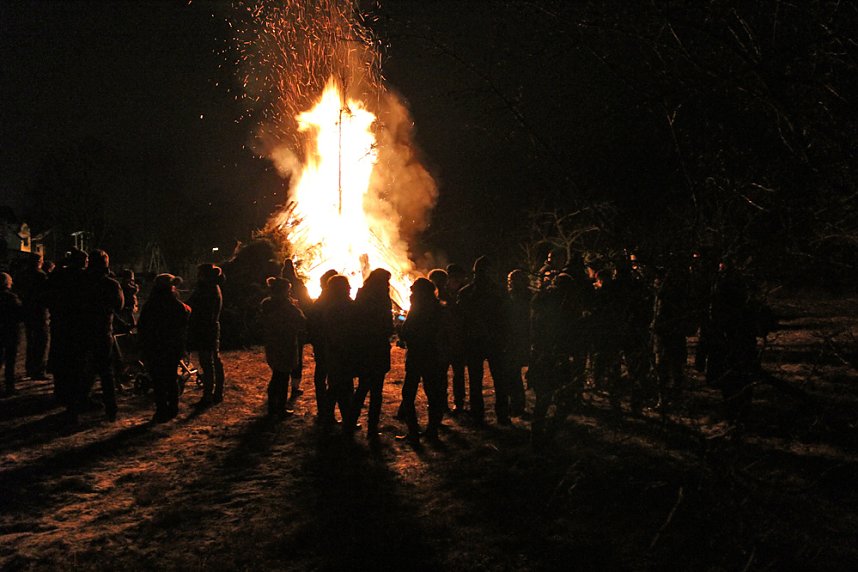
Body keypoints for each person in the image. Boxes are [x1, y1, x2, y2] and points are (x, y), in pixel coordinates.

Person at [457, 256, 510, 425]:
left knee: (477, 379)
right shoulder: (497, 291)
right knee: (498, 379)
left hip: (479, 341)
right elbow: (505, 318)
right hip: (489, 341)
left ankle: (479, 414)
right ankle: (500, 415)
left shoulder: (466, 292)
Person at [397, 277, 448, 443]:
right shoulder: (439, 309)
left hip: (417, 356)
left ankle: (413, 432)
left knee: (408, 393)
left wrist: (400, 328)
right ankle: (432, 430)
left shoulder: (417, 308)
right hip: (433, 356)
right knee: (433, 393)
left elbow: (407, 332)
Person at [138, 274, 190, 422]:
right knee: (171, 377)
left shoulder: (151, 304)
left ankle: (161, 409)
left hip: (155, 346)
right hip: (172, 346)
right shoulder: (176, 305)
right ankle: (173, 407)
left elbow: (142, 326)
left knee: (158, 379)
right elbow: (186, 317)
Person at [44, 248, 89, 421]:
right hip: (76, 326)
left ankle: (60, 392)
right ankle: (75, 399)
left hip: (60, 323)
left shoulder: (57, 276)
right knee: (76, 363)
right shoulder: (83, 278)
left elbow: (47, 295)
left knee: (60, 359)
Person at [81, 249, 124, 421]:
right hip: (102, 330)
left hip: (82, 330)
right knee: (106, 371)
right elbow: (119, 305)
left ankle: (77, 406)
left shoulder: (80, 281)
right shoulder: (110, 284)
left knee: (84, 369)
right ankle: (111, 408)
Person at [352, 268, 394, 438]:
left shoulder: (361, 295)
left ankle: (350, 422)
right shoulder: (382, 298)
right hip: (377, 348)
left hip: (364, 348)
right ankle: (372, 428)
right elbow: (387, 325)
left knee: (362, 387)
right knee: (376, 391)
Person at [260, 277, 307, 418]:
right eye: (288, 290)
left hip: (272, 344)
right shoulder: (286, 307)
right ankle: (279, 408)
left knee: (277, 374)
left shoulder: (267, 304)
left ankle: (273, 406)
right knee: (281, 376)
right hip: (285, 344)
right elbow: (301, 322)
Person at [321, 274, 357, 430]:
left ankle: (335, 418)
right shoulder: (341, 307)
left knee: (340, 386)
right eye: (347, 285)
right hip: (341, 352)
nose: (350, 288)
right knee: (340, 386)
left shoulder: (332, 305)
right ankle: (342, 419)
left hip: (337, 351)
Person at [187, 264, 225, 406]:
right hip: (211, 327)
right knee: (215, 360)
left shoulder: (206, 290)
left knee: (207, 362)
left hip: (205, 329)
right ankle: (218, 392)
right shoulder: (213, 287)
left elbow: (194, 306)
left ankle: (208, 395)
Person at [306, 269, 338, 423]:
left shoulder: (319, 302)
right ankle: (327, 412)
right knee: (332, 378)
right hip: (331, 345)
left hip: (322, 345)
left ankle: (324, 410)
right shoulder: (332, 303)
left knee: (322, 376)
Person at [13, 255, 49, 380]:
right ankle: (38, 370)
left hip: (26, 311)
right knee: (41, 341)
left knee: (30, 341)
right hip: (39, 312)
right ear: (39, 262)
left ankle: (29, 368)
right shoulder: (41, 275)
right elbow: (47, 293)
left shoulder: (20, 275)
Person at [281, 258, 312, 401]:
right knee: (296, 357)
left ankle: (281, 384)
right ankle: (294, 386)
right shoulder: (298, 285)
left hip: (281, 331)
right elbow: (306, 302)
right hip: (295, 329)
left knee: (282, 356)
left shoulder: (277, 286)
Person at [505, 269, 532, 416]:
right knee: (512, 373)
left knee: (513, 373)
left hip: (518, 339)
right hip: (518, 339)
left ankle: (517, 405)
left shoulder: (520, 297)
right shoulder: (526, 296)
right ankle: (516, 404)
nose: (511, 283)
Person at [0, 272, 24, 396]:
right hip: (10, 331)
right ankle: (9, 386)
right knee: (10, 360)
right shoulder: (11, 297)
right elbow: (20, 314)